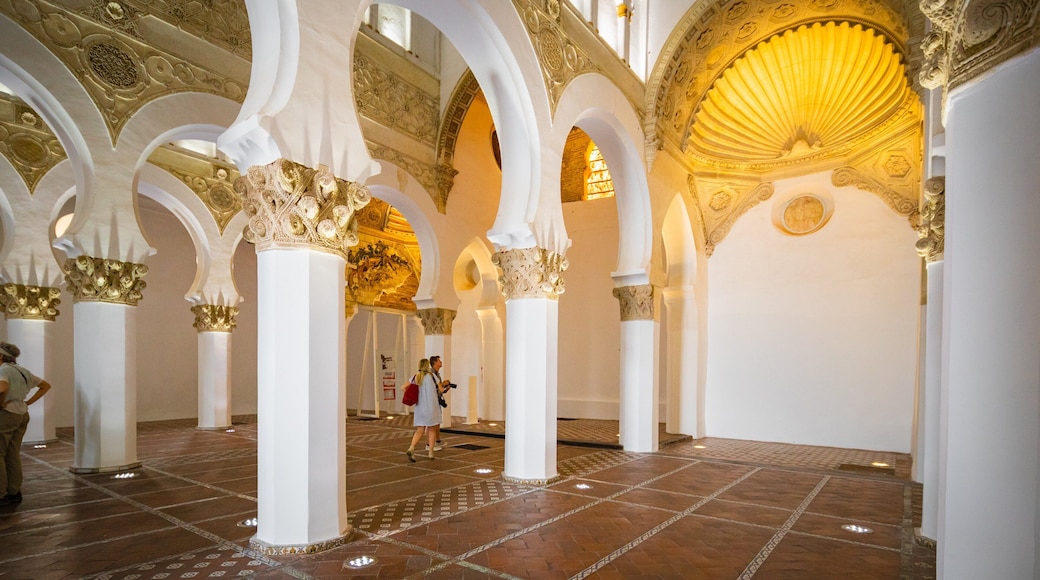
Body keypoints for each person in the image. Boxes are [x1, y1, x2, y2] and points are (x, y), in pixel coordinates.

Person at [0, 341, 51, 506]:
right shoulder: (22, 371)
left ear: (1, 356)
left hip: (6, 416)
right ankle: (14, 491)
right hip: (22, 414)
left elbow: (1, 388)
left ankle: (1, 494)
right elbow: (45, 386)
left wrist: (1, 402)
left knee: (0, 454)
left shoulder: (3, 370)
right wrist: (28, 402)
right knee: (13, 453)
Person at [405, 358, 449, 461]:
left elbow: (403, 387)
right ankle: (430, 452)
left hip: (420, 408)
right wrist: (446, 387)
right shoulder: (432, 376)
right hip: (432, 407)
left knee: (420, 430)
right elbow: (441, 390)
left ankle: (411, 448)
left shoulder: (416, 377)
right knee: (432, 429)